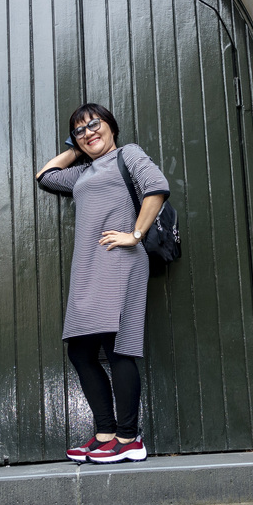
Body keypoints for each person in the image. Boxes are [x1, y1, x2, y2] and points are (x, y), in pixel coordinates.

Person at [35, 103, 169, 464]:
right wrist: (77, 148)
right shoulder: (83, 172)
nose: (88, 132)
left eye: (94, 124)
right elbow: (45, 176)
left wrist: (134, 234)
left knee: (117, 348)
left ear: (111, 126)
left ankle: (129, 438)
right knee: (80, 352)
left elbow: (157, 187)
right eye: (79, 130)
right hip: (90, 267)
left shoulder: (128, 154)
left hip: (120, 260)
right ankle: (106, 434)